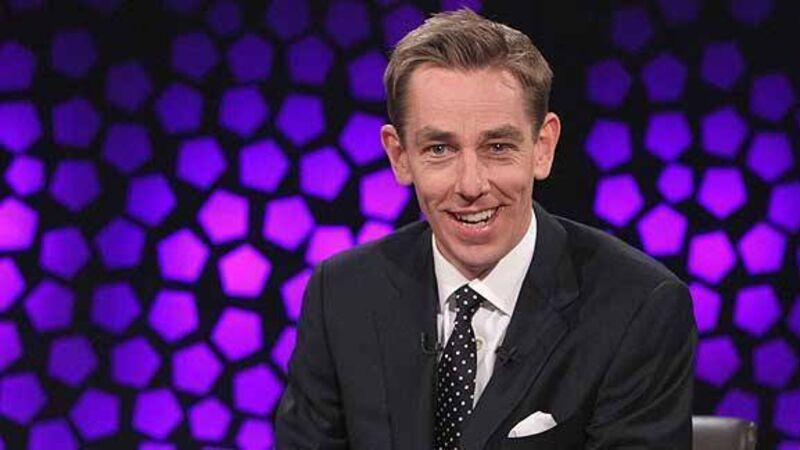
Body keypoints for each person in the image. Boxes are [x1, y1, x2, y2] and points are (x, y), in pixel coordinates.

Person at [275, 8, 696, 449]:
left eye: (497, 146)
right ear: (399, 156)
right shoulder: (342, 294)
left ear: (543, 147)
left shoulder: (637, 308)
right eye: (440, 149)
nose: (471, 185)